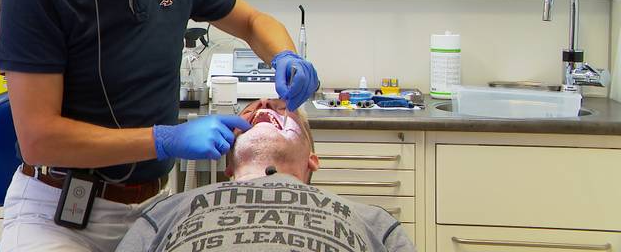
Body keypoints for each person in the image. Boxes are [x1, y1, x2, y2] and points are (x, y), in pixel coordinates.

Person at [0, 0, 320, 251]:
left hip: (153, 209)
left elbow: (253, 22)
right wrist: (164, 139)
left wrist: (285, 55)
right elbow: (40, 139)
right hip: (60, 213)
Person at [116, 99, 416, 252]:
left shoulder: (373, 222)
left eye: (283, 111)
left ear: (312, 160)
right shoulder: (165, 212)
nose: (264, 106)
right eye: (249, 112)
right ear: (228, 166)